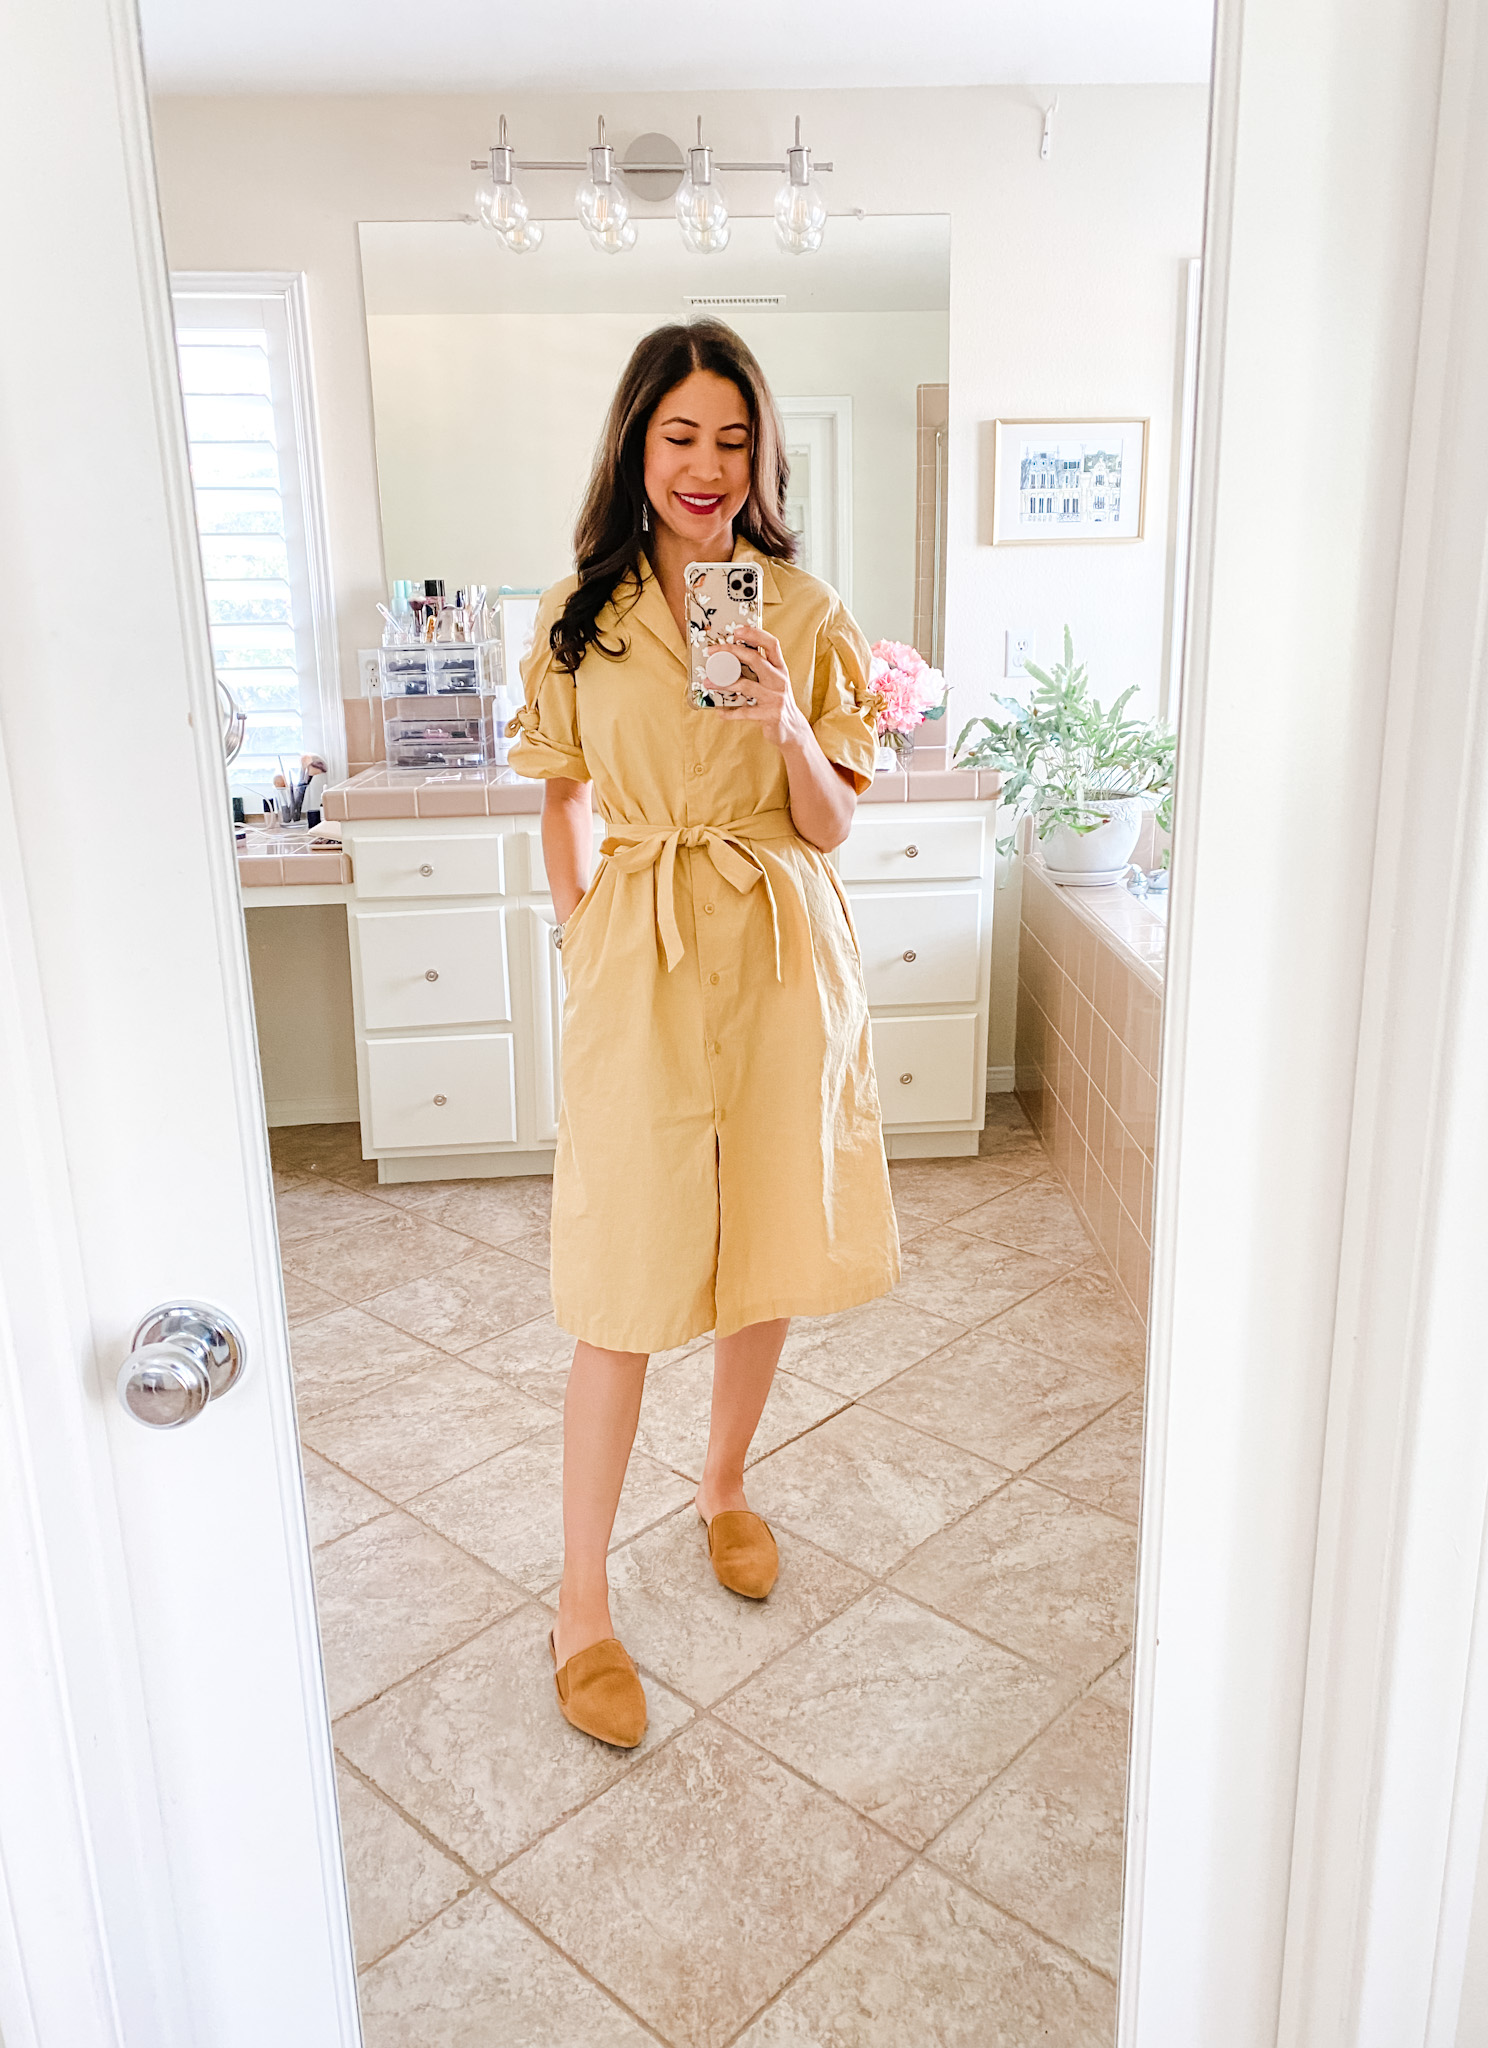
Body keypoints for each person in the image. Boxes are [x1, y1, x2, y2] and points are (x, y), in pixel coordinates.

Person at [511, 319, 899, 1748]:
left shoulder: (802, 609)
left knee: (766, 1236)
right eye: (680, 435)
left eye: (734, 440)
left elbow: (833, 824)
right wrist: (582, 935)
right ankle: (580, 1603)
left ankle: (724, 1483)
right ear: (636, 445)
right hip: (645, 953)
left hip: (783, 950)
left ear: (762, 456)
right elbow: (560, 796)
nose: (707, 466)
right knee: (621, 1273)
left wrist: (789, 722)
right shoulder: (581, 614)